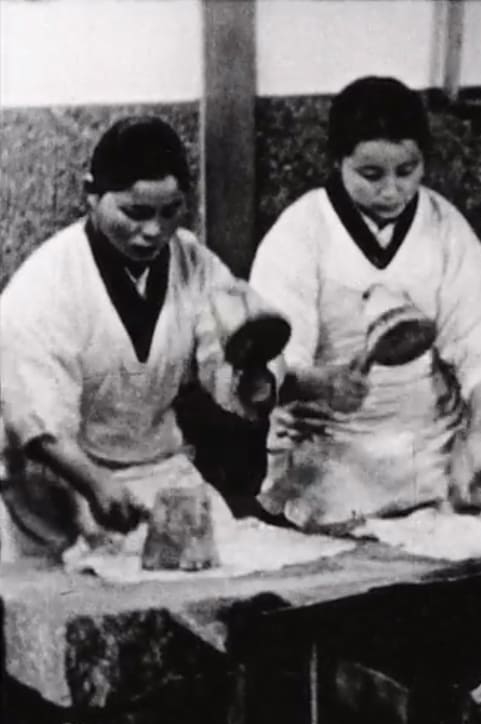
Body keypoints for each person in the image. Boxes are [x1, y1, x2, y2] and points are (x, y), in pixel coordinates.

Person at [0, 116, 278, 563]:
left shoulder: (193, 263)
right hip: (59, 482)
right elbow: (34, 416)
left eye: (171, 212)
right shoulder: (47, 284)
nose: (154, 231)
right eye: (136, 212)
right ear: (91, 194)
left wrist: (250, 382)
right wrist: (93, 482)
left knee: (228, 572)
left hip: (157, 470)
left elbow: (224, 348)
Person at [250, 76, 481, 530]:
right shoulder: (301, 231)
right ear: (338, 161)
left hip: (431, 455)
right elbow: (271, 358)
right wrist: (316, 382)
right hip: (331, 461)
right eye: (371, 175)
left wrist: (480, 431)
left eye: (408, 170)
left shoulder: (443, 225)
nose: (392, 190)